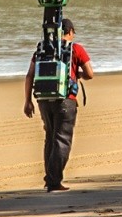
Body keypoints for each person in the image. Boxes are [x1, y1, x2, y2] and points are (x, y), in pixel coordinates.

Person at [23, 18, 94, 192]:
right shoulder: (75, 49)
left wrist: (27, 101)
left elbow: (29, 75)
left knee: (50, 138)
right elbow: (90, 74)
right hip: (65, 99)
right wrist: (77, 74)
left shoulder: (42, 49)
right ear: (69, 32)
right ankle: (54, 181)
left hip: (43, 99)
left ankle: (50, 178)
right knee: (62, 139)